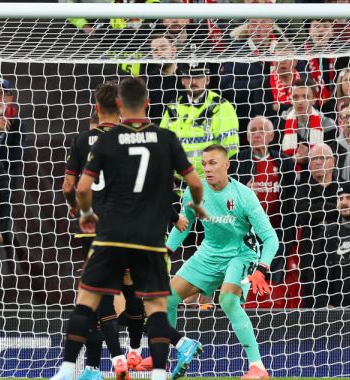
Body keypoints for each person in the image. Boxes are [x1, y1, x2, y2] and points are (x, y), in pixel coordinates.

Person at [51, 77, 206, 380]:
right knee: (151, 303)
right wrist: (190, 207)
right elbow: (186, 183)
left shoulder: (104, 140)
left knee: (93, 298)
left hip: (108, 231)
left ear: (116, 106)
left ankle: (76, 368)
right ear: (147, 104)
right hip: (147, 233)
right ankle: (147, 363)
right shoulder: (163, 137)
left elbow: (76, 186)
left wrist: (83, 211)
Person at [166, 145, 279, 380]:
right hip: (209, 253)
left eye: (213, 163)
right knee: (166, 299)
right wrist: (165, 251)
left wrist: (261, 269)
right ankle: (173, 356)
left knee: (227, 300)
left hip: (241, 255)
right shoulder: (194, 191)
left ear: (227, 164)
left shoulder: (244, 195)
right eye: (204, 164)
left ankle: (258, 367)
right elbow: (183, 227)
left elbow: (270, 238)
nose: (207, 169)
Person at [62, 82, 149, 380]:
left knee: (98, 297)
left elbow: (68, 187)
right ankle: (131, 353)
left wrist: (75, 206)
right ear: (122, 108)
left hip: (91, 230)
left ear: (96, 109)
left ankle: (115, 359)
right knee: (129, 287)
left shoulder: (81, 140)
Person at [230, 116, 296, 284]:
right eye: (253, 131)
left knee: (273, 280)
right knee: (246, 278)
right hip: (246, 232)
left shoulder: (284, 162)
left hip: (276, 231)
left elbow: (291, 200)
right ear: (247, 136)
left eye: (262, 130)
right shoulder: (236, 162)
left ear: (272, 136)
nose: (257, 134)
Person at [160, 62, 239, 177]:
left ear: (207, 79)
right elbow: (162, 147)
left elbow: (230, 152)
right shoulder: (172, 107)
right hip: (177, 187)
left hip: (208, 186)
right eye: (188, 77)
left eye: (198, 76)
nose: (193, 82)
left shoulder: (221, 107)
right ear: (182, 80)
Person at [293, 143, 340, 307]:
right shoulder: (302, 189)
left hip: (340, 253)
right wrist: (335, 208)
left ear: (333, 162)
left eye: (323, 158)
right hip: (311, 255)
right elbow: (304, 214)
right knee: (312, 304)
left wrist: (318, 209)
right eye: (314, 159)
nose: (318, 162)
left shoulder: (346, 186)